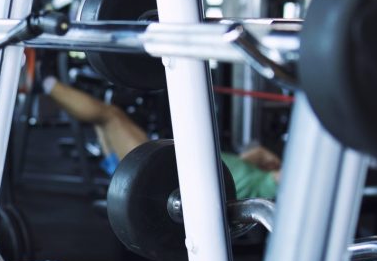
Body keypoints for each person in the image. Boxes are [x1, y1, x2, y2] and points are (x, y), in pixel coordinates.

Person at [41, 77, 280, 200]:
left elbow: (294, 179)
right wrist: (251, 159)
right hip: (169, 168)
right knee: (103, 116)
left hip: (163, 177)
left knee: (110, 115)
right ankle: (43, 81)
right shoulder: (258, 177)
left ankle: (43, 81)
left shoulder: (275, 186)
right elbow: (236, 172)